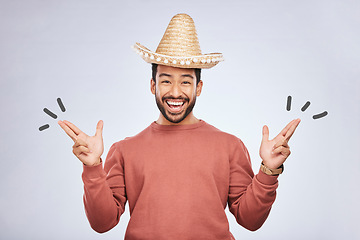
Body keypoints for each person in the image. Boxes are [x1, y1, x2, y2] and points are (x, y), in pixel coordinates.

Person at [58, 13, 300, 240]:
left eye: (186, 81)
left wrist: (268, 171)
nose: (175, 92)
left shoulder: (229, 146)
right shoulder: (124, 150)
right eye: (166, 81)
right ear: (153, 86)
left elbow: (250, 220)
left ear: (199, 88)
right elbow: (103, 223)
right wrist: (92, 168)